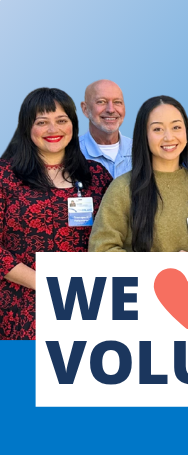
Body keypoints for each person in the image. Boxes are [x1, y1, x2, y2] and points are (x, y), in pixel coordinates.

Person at [0, 88, 112, 340]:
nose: (54, 129)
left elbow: (115, 236)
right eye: (42, 122)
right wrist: (43, 283)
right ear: (27, 127)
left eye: (62, 120)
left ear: (73, 124)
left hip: (85, 305)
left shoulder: (97, 176)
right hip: (23, 309)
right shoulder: (5, 176)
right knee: (22, 378)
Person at [89, 96, 188, 252]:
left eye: (176, 127)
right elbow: (102, 248)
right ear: (144, 135)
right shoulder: (122, 188)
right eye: (157, 129)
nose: (169, 137)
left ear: (187, 130)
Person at [79, 79, 132, 178]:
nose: (111, 110)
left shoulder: (141, 151)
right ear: (85, 109)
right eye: (101, 102)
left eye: (117, 102)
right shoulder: (70, 153)